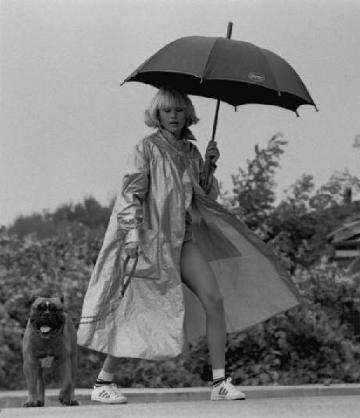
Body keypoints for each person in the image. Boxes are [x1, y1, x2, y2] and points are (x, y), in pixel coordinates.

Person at [77, 86, 301, 404]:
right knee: (140, 308)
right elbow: (130, 196)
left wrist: (210, 165)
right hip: (150, 243)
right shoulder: (146, 148)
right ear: (157, 115)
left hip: (183, 240)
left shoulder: (191, 152)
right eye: (166, 111)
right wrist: (130, 238)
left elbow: (204, 197)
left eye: (179, 110)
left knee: (214, 299)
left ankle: (220, 382)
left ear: (188, 114)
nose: (173, 116)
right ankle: (103, 382)